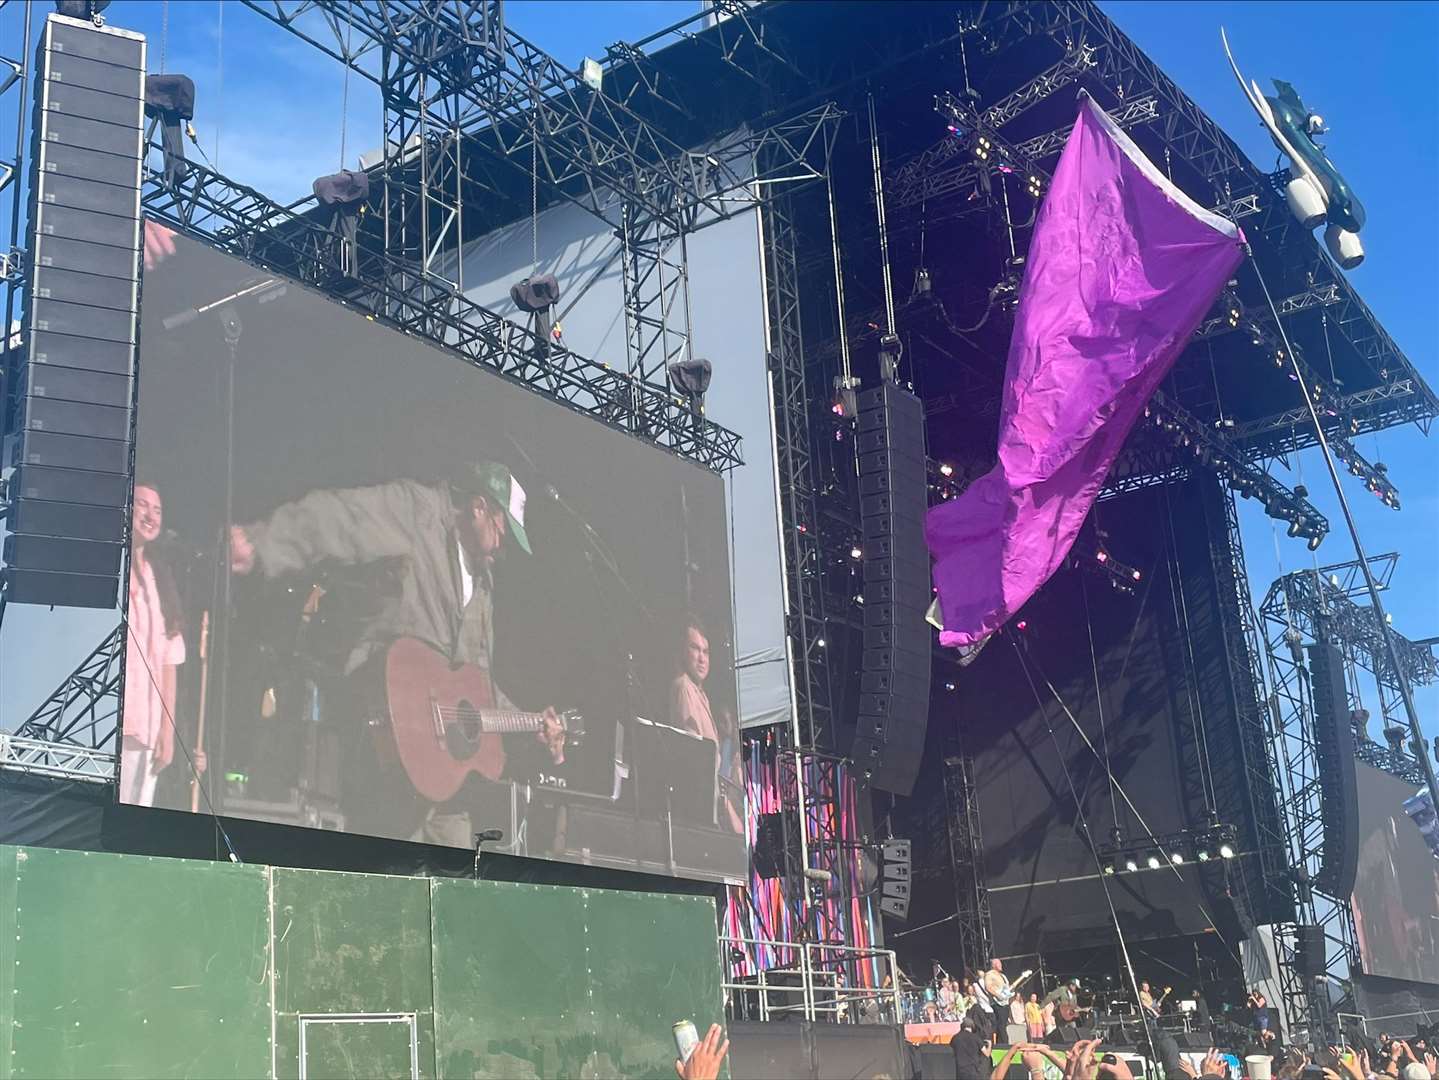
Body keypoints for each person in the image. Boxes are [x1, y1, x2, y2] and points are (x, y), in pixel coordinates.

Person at [229, 462, 566, 845]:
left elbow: (477, 684)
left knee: (452, 886)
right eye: (503, 524)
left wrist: (530, 722)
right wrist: (266, 542)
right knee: (383, 878)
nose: (505, 539)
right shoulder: (416, 514)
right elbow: (342, 517)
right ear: (478, 507)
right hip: (388, 744)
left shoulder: (485, 585)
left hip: (444, 774)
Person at [120, 482, 192, 806]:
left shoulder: (159, 578)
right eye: (142, 505)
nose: (150, 515)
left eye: (157, 510)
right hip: (115, 725)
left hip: (148, 730)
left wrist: (167, 730)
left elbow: (169, 663)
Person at [667, 615, 742, 832]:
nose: (702, 658)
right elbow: (695, 759)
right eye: (695, 649)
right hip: (701, 811)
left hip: (713, 807)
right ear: (683, 651)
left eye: (706, 651)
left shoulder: (700, 693)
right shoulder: (683, 687)